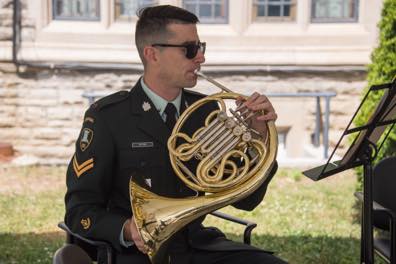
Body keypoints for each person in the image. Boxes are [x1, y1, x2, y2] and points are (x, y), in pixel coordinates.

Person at [65, 5, 287, 264]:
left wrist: (258, 138)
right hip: (135, 254)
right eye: (190, 49)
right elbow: (79, 211)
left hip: (196, 246)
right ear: (152, 54)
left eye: (201, 47)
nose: (200, 58)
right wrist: (127, 229)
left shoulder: (204, 111)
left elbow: (246, 202)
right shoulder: (108, 117)